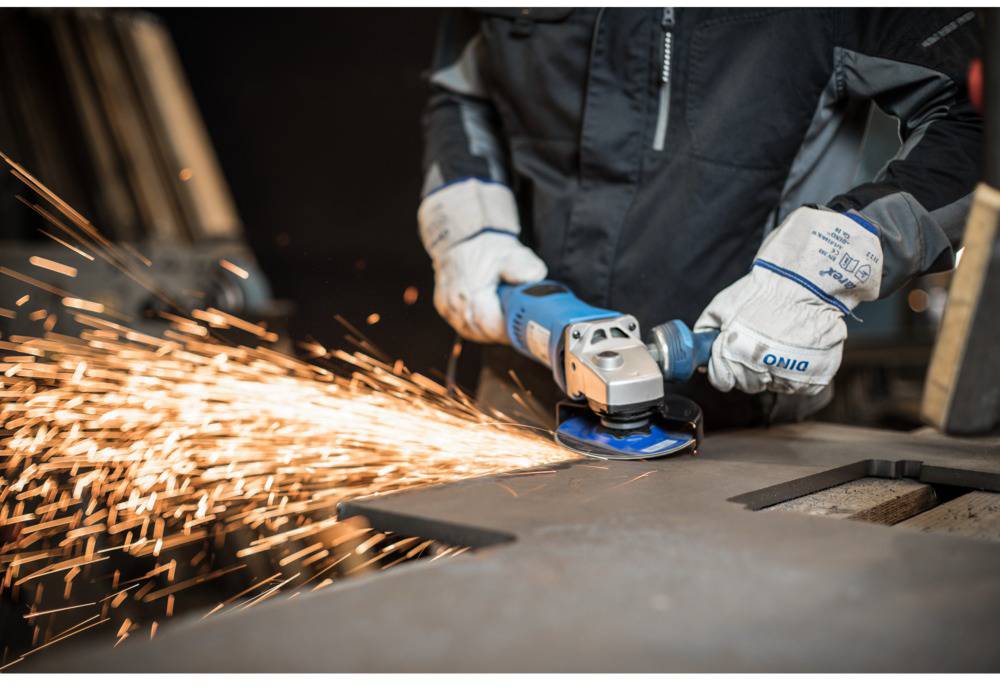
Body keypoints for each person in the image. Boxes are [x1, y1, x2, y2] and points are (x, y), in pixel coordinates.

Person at [417, 8, 982, 428]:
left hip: (743, 418)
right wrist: (469, 226)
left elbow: (978, 121)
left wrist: (837, 260)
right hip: (515, 393)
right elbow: (460, 91)